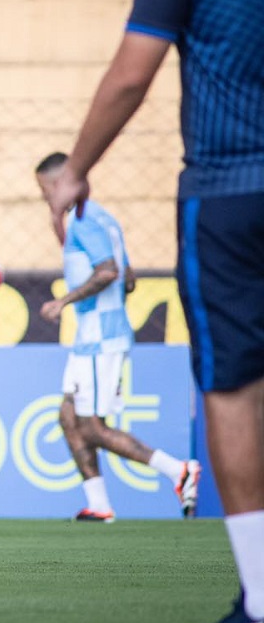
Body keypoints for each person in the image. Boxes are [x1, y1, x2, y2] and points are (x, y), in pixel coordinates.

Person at [43, 0, 264, 623]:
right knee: (79, 421)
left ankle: (260, 596)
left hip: (231, 189)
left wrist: (76, 170)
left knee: (235, 389)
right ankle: (107, 499)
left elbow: (134, 71)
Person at [35, 153, 200, 523]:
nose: (45, 197)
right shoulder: (99, 218)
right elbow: (129, 278)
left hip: (101, 339)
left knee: (92, 426)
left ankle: (178, 471)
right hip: (93, 337)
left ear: (63, 184)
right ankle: (99, 504)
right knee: (67, 416)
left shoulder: (85, 222)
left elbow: (109, 272)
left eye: (46, 190)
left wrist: (64, 300)